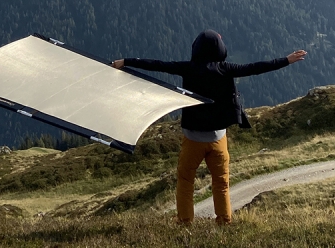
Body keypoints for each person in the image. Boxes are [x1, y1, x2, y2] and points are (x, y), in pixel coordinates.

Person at [112, 29, 306, 225]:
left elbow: (157, 65)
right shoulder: (226, 68)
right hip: (217, 139)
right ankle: (224, 220)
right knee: (221, 183)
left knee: (186, 181)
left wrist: (126, 61)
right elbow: (255, 68)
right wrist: (286, 60)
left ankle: (185, 222)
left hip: (193, 139)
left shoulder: (188, 68)